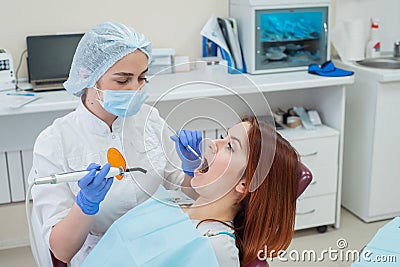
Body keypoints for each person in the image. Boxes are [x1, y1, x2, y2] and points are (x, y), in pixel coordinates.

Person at [27, 22, 195, 266]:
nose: (136, 89)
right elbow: (61, 250)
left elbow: (186, 189)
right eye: (122, 80)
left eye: (142, 78)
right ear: (88, 76)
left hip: (158, 244)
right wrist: (85, 205)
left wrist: (193, 170)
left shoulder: (150, 119)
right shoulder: (54, 142)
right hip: (100, 254)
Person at [82, 116, 301, 267]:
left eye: (230, 146)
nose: (214, 143)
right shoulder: (175, 199)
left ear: (244, 184)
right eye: (223, 136)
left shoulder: (216, 246)